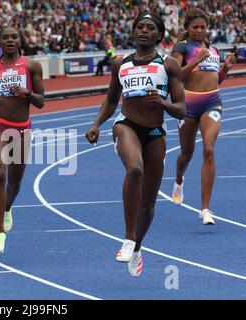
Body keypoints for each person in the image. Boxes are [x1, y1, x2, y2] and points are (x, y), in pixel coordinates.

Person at [85, 12, 185, 276]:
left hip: (155, 132)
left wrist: (162, 103)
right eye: (139, 26)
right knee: (135, 170)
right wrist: (96, 124)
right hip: (126, 125)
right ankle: (129, 238)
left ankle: (138, 247)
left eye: (150, 28)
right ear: (133, 32)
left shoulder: (169, 65)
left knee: (148, 206)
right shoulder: (121, 63)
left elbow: (181, 110)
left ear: (159, 35)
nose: (143, 31)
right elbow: (110, 100)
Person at [0, 26, 45, 253]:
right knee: (0, 173)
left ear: (20, 39)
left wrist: (27, 93)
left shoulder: (32, 66)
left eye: (14, 36)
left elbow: (41, 101)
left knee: (15, 181)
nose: (10, 40)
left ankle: (7, 209)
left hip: (22, 127)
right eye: (5, 37)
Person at [170, 9, 236, 225]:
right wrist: (195, 60)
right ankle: (179, 179)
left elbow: (215, 81)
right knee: (186, 155)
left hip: (212, 102)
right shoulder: (182, 47)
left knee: (208, 150)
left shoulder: (214, 50)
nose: (199, 30)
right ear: (187, 28)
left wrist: (225, 68)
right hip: (188, 105)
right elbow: (175, 75)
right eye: (195, 27)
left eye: (202, 27)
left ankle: (205, 209)